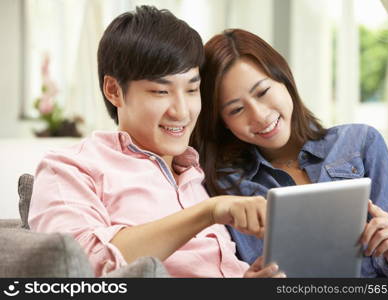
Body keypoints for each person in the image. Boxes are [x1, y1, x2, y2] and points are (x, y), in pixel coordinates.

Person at [28, 7, 285, 278]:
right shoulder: (69, 168)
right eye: (161, 91)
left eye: (191, 89)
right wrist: (208, 212)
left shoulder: (196, 173)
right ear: (114, 90)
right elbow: (78, 267)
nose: (182, 111)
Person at [191, 28, 388, 277]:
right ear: (223, 121)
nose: (259, 116)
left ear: (284, 79)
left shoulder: (360, 142)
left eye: (263, 92)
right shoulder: (225, 186)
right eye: (236, 110)